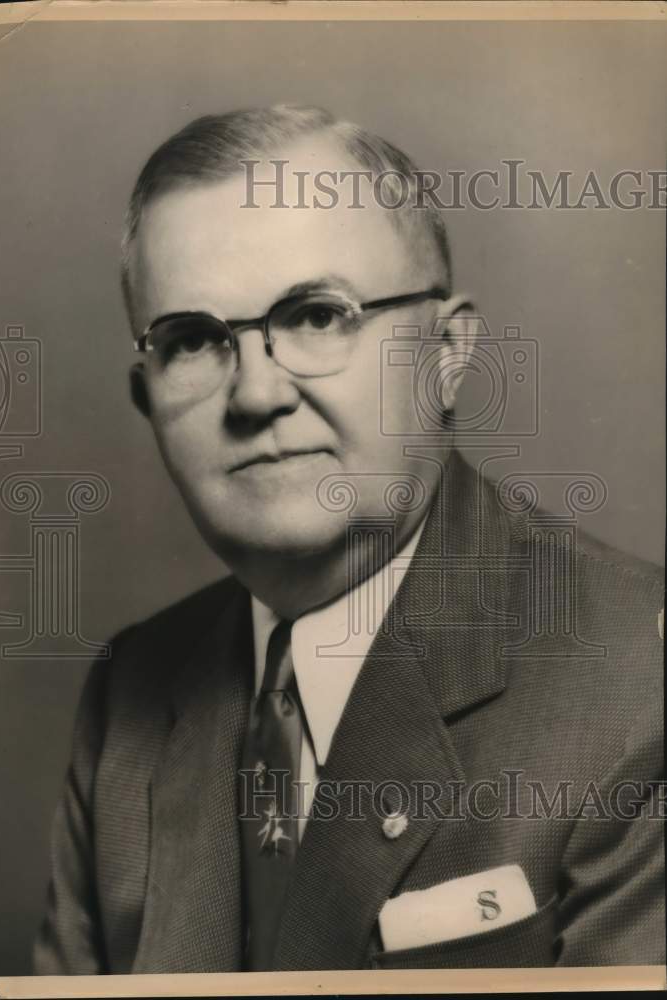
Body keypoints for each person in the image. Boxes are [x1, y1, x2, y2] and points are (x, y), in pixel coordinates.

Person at [33, 105, 664, 973]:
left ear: (447, 351)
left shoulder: (640, 680)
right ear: (148, 401)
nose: (257, 394)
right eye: (192, 340)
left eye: (318, 316)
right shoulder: (130, 698)